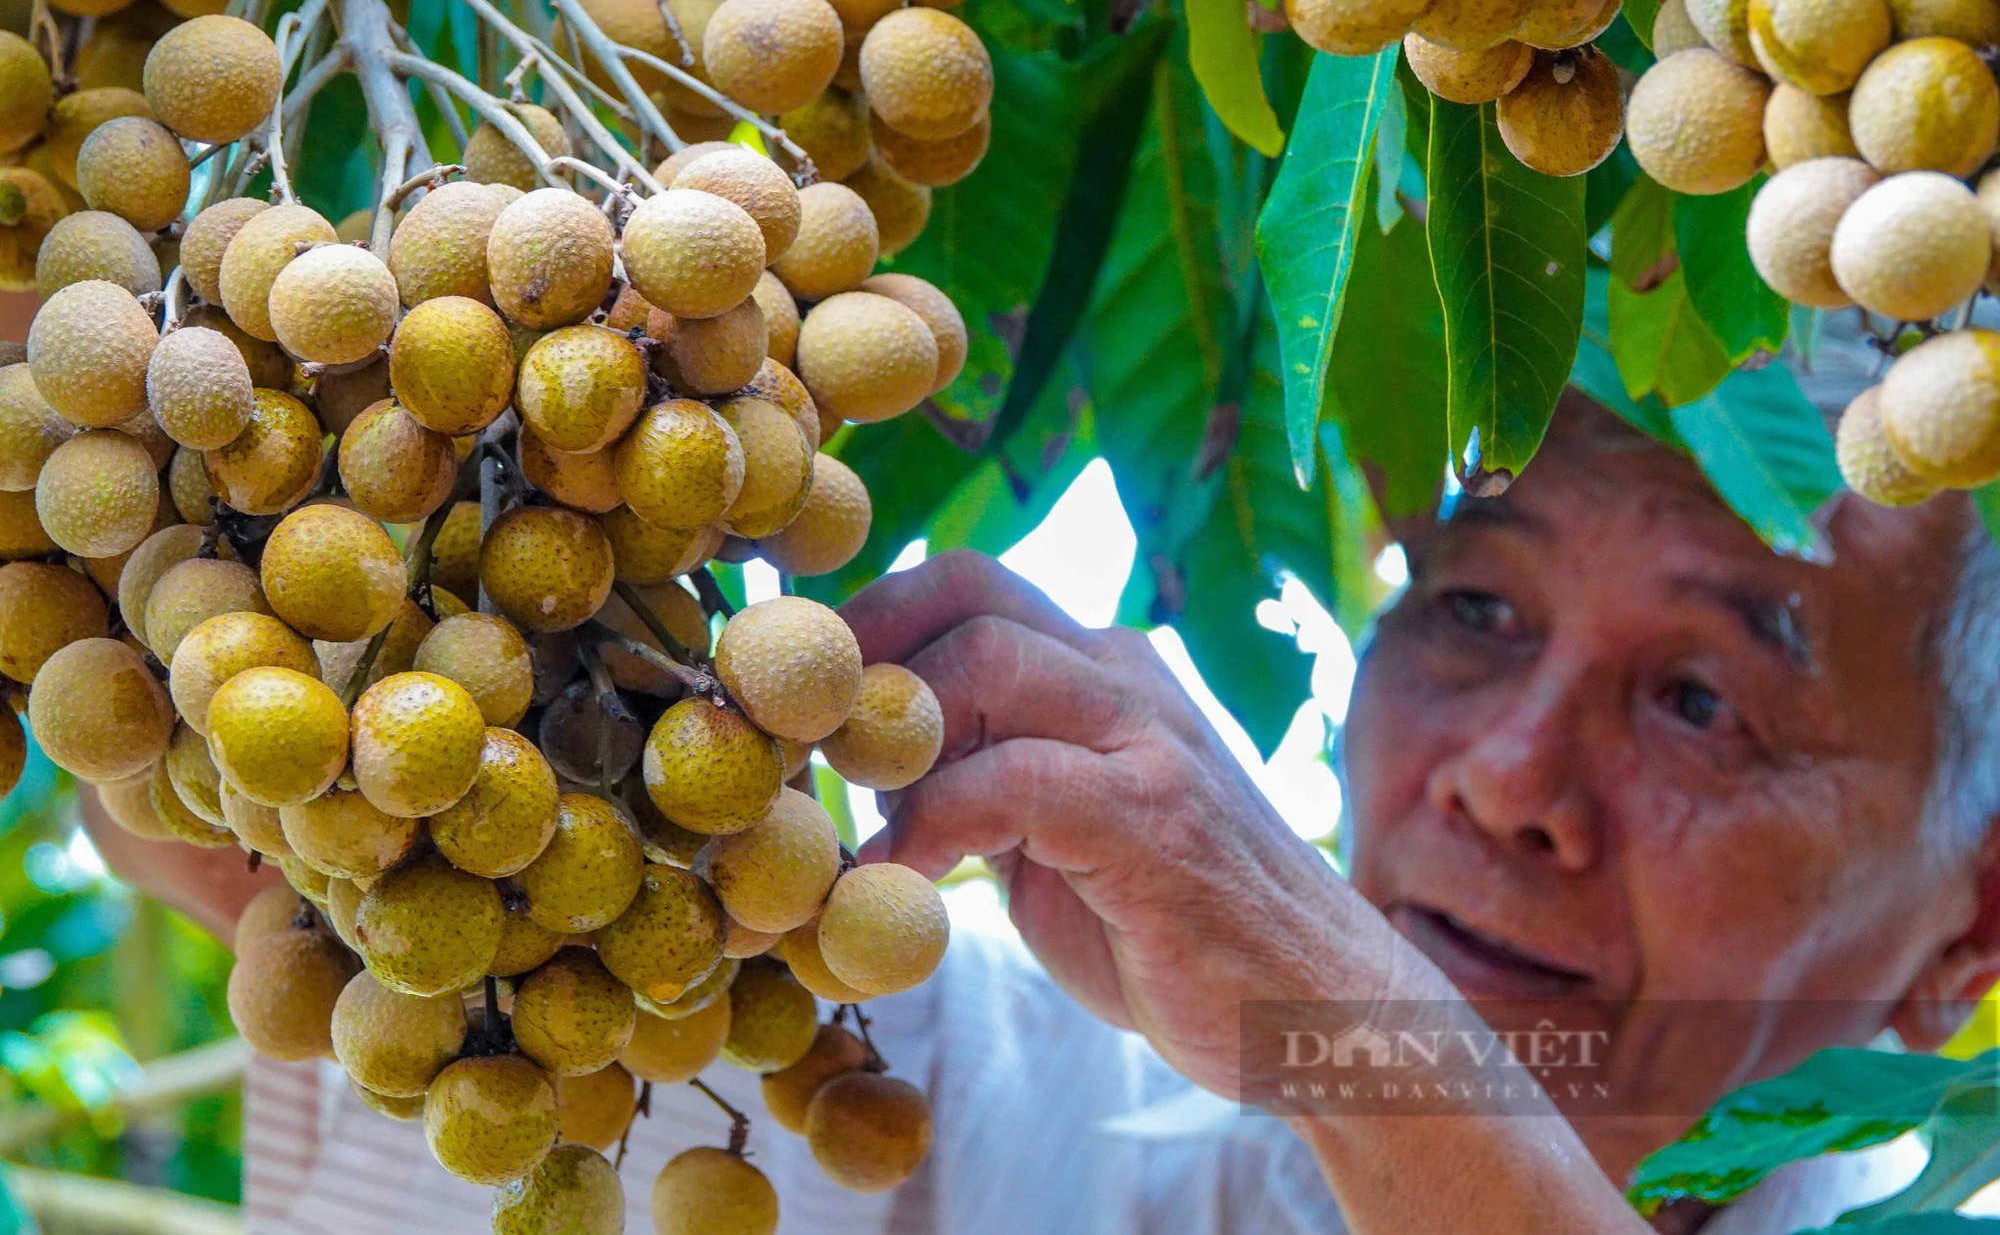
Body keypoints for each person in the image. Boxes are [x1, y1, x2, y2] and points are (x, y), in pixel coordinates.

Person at [82, 344, 2000, 1234]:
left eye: (1701, 699)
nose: (1509, 782)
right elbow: (246, 830)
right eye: (1475, 605)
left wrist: (1358, 1029)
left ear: (1969, 931)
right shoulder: (932, 1071)